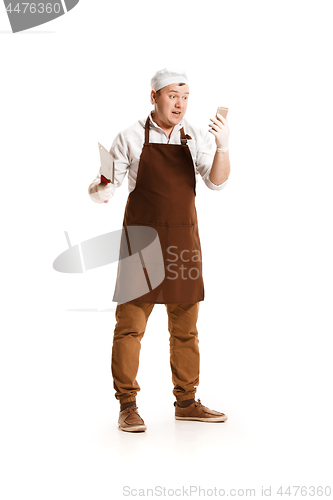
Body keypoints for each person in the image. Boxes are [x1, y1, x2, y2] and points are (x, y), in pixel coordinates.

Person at [88, 69, 230, 432]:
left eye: (185, 96)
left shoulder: (194, 135)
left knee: (186, 330)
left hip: (183, 242)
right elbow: (104, 191)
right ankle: (128, 405)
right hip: (142, 246)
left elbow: (216, 181)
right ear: (154, 97)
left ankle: (186, 401)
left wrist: (224, 147)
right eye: (172, 95)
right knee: (130, 328)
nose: (180, 103)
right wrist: (100, 184)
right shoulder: (131, 137)